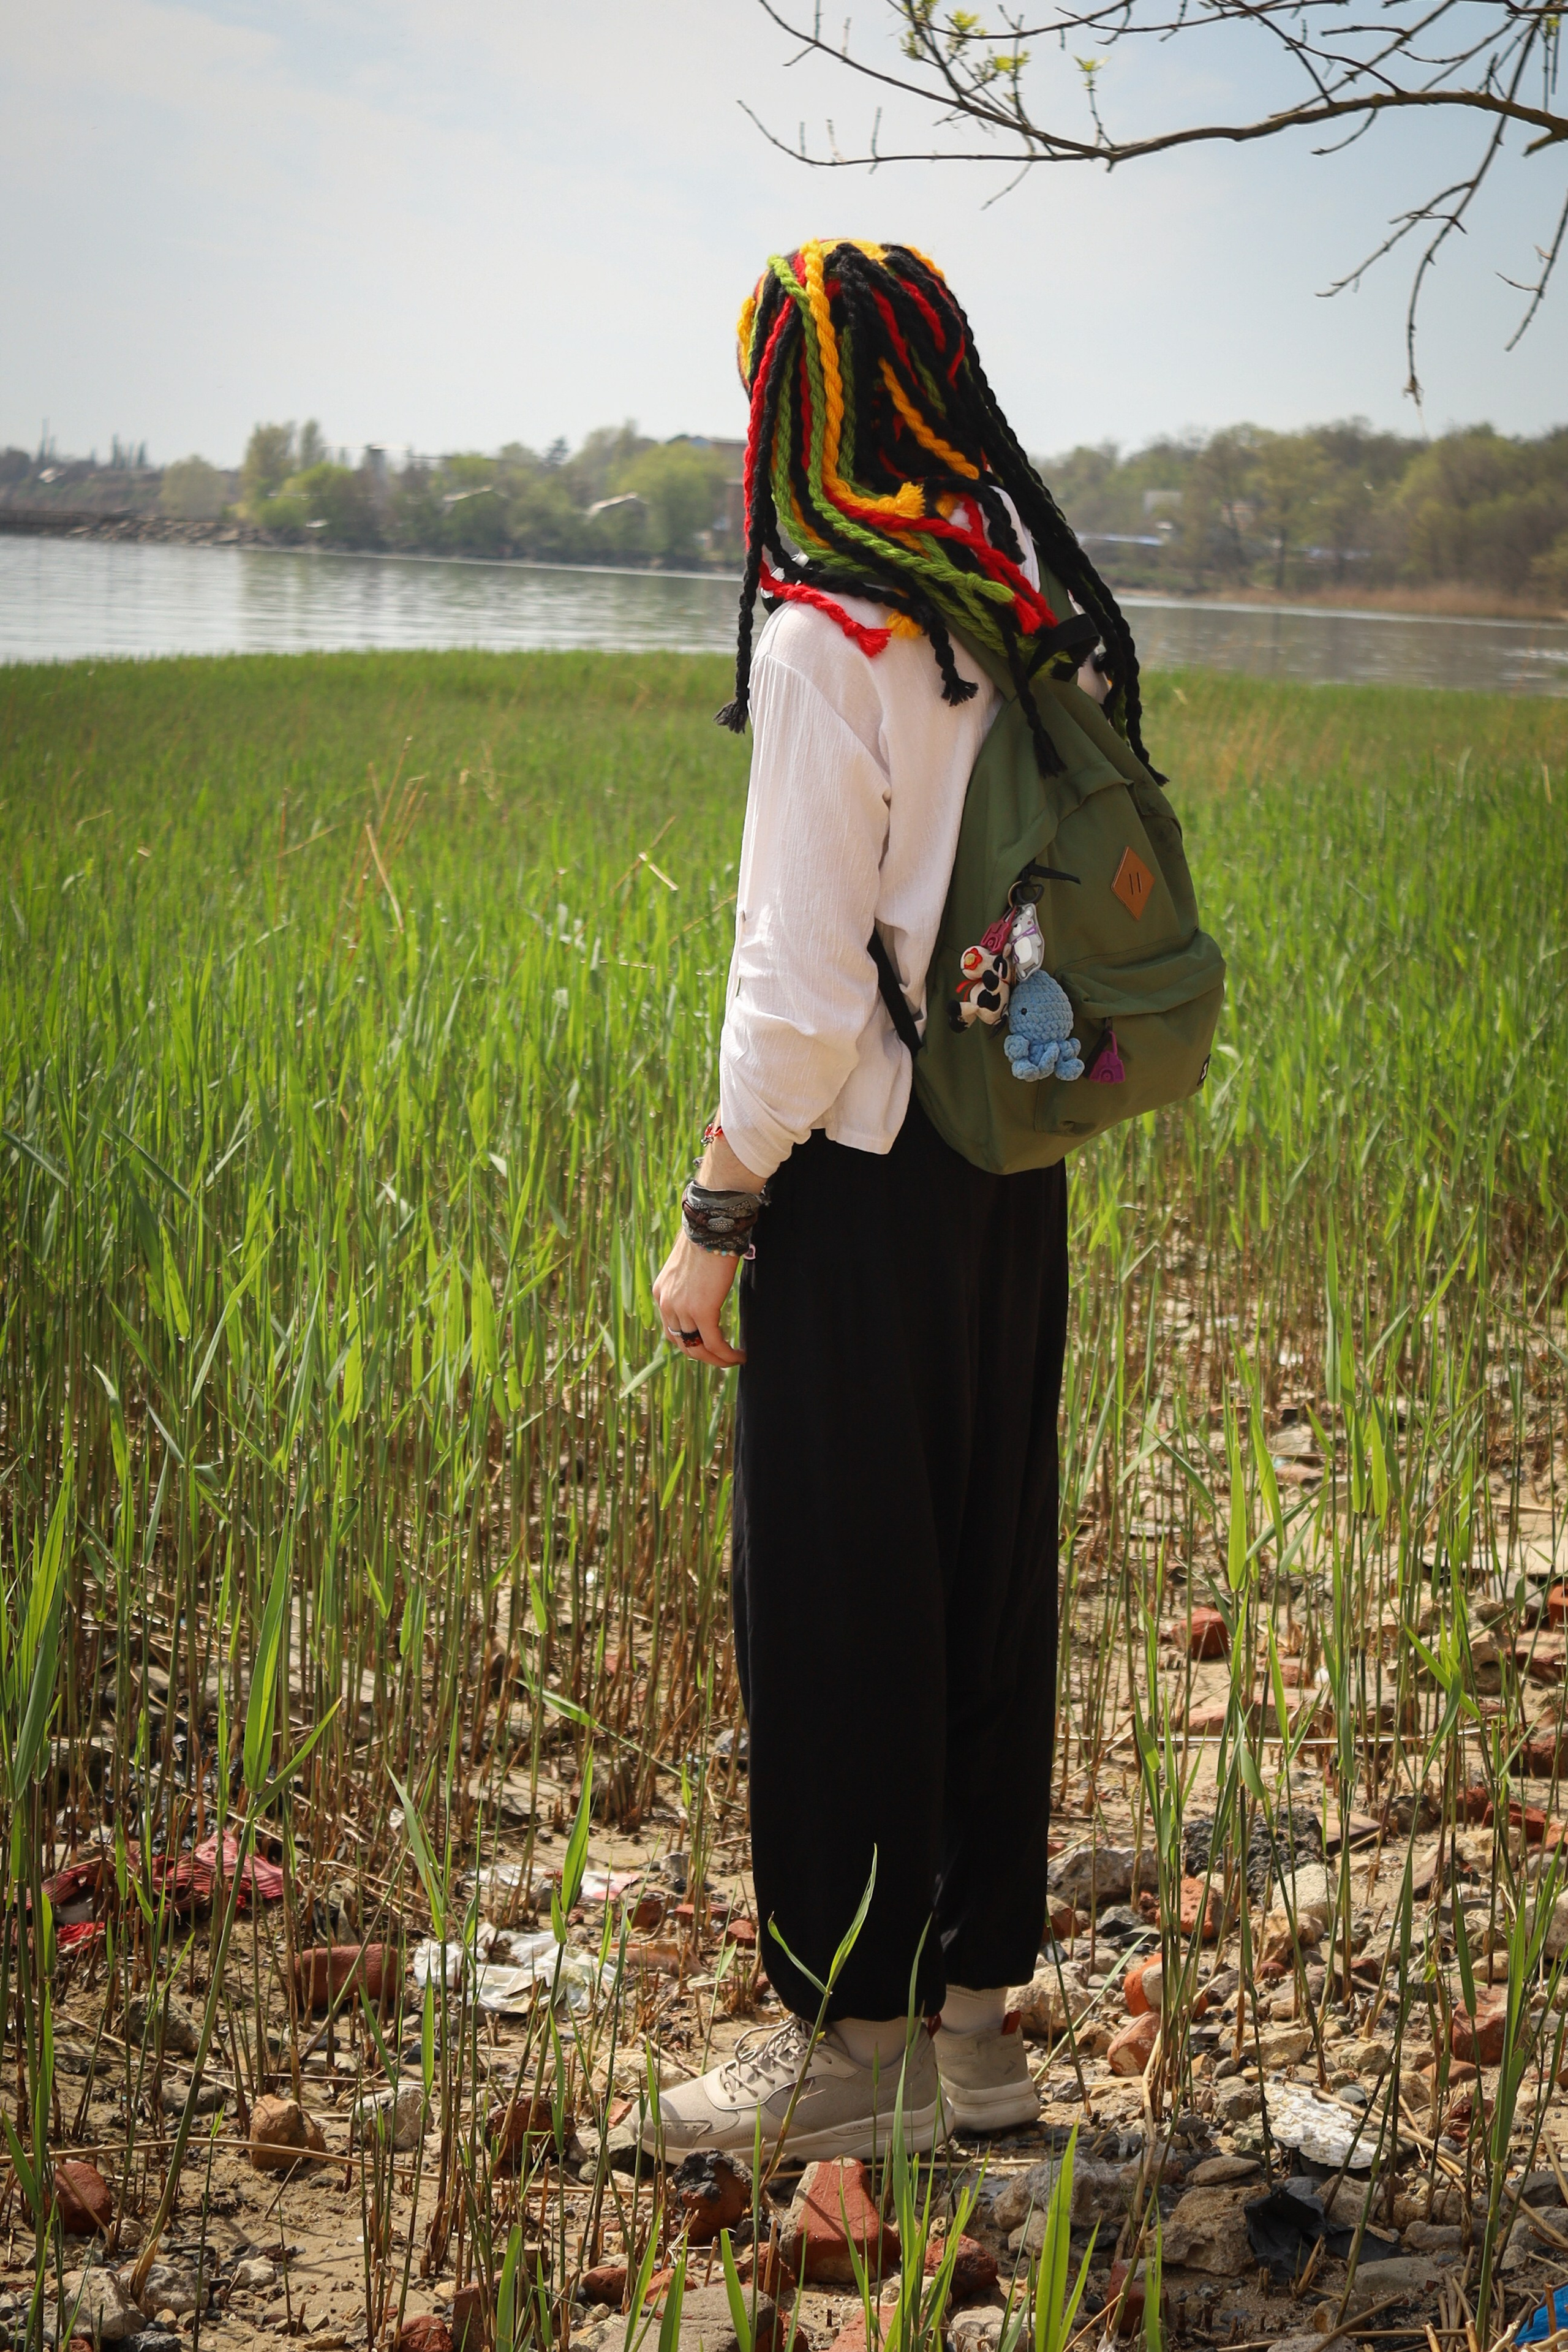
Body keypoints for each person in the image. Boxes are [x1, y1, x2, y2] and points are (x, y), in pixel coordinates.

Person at [650, 240, 1154, 2162]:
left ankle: (844, 2069)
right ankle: (980, 2049)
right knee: (980, 1578)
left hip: (858, 1184)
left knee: (845, 1605)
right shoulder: (1026, 611)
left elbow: (791, 999)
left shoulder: (823, 635)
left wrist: (715, 1218)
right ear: (940, 382)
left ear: (803, 401)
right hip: (1010, 1162)